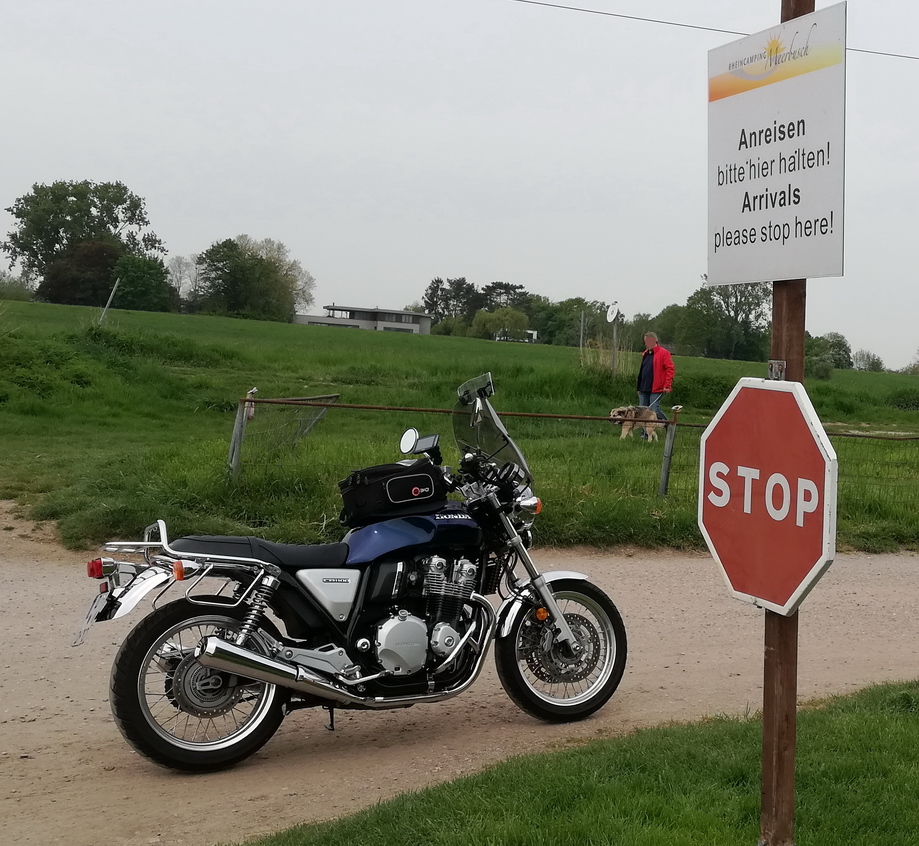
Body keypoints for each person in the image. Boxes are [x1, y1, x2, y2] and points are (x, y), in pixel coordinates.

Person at [636, 332, 675, 425]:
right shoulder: (645, 354)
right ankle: (645, 431)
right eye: (645, 341)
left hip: (657, 387)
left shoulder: (664, 353)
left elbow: (670, 369)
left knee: (654, 410)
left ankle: (668, 424)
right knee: (642, 411)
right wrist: (639, 387)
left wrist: (667, 385)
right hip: (644, 386)